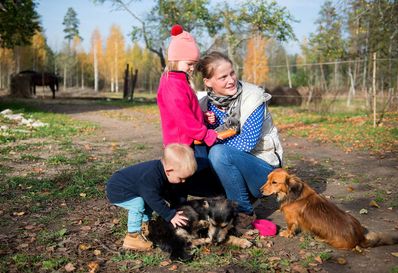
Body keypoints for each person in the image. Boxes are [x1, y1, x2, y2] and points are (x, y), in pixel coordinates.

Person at [197, 51, 284, 229]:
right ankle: (222, 198)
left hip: (262, 169)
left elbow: (247, 143)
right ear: (208, 82)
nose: (231, 80)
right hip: (230, 165)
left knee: (218, 152)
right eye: (223, 77)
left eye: (232, 73)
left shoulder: (253, 97)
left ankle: (244, 211)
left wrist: (210, 137)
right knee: (189, 158)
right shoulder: (204, 104)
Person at [156, 25, 225, 200]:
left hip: (189, 138)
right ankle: (176, 213)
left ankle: (182, 207)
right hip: (182, 144)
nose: (192, 68)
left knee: (188, 177)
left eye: (194, 64)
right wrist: (206, 134)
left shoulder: (179, 81)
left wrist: (202, 117)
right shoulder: (173, 85)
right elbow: (183, 120)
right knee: (184, 179)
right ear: (176, 60)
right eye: (189, 64)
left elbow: (187, 111)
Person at [106, 143, 197, 251]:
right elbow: (153, 198)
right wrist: (170, 215)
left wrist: (178, 206)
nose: (183, 181)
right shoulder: (151, 176)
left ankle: (145, 226)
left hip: (136, 188)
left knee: (147, 200)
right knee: (139, 203)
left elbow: (174, 193)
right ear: (169, 171)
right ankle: (133, 236)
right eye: (181, 178)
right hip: (118, 189)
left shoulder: (167, 174)